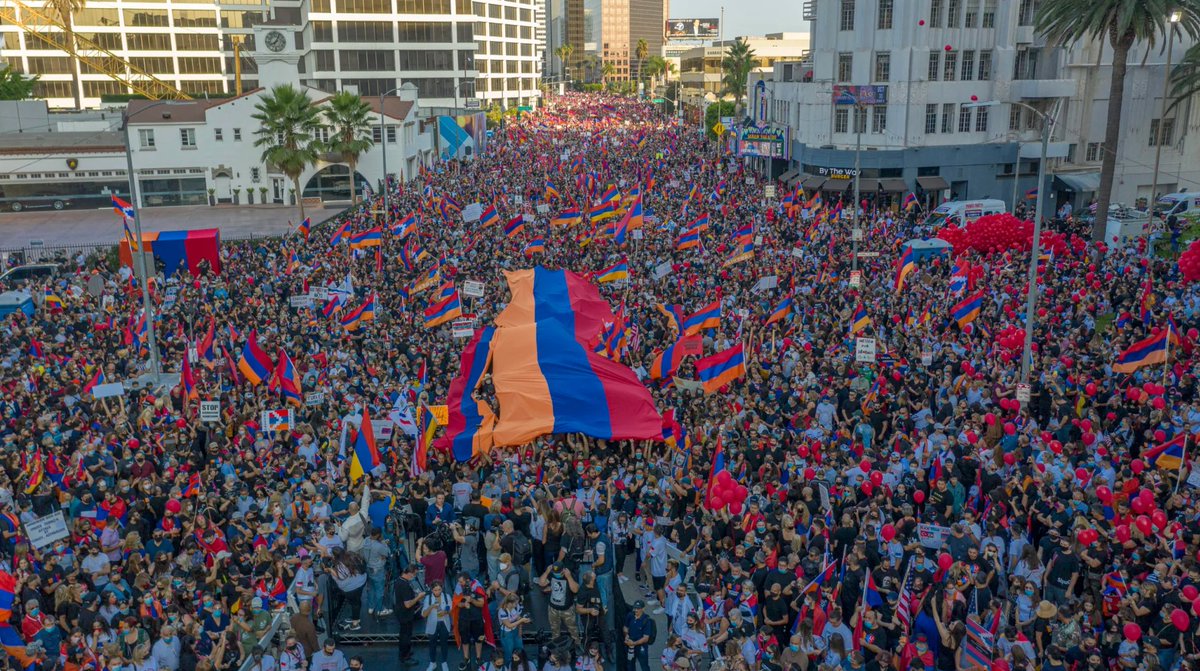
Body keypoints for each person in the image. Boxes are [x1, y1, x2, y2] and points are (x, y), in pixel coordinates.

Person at [328, 548, 366, 632]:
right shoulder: (351, 556)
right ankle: (355, 617)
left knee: (354, 603)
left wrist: (332, 571)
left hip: (351, 588)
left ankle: (355, 623)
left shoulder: (339, 566)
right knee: (356, 602)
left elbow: (342, 578)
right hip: (361, 581)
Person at [395, 563, 425, 667]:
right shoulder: (404, 585)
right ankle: (405, 657)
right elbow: (408, 604)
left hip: (401, 613)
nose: (415, 577)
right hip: (405, 614)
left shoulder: (399, 580)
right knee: (406, 636)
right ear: (410, 574)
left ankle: (403, 652)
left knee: (404, 634)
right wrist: (418, 597)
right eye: (414, 575)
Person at [421, 581, 453, 671]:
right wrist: (431, 607)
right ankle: (432, 663)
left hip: (444, 623)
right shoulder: (428, 598)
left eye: (439, 589)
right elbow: (423, 614)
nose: (437, 592)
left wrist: (445, 612)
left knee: (444, 643)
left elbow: (450, 608)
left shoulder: (447, 596)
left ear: (442, 589)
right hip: (432, 624)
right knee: (432, 644)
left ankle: (444, 662)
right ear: (432, 590)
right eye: (435, 590)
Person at [622, 600, 655, 671]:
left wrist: (633, 643)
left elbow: (645, 638)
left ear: (643, 609)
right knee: (630, 665)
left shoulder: (646, 620)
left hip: (641, 647)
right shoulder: (630, 615)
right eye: (635, 608)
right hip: (630, 646)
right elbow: (625, 627)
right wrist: (626, 635)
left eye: (638, 608)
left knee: (644, 666)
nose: (636, 610)